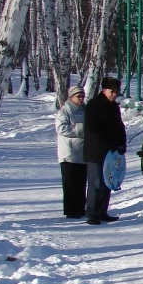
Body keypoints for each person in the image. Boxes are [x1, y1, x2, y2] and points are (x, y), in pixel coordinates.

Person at [83, 76, 127, 225]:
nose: (114, 95)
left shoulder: (114, 107)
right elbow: (93, 129)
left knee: (108, 182)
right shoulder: (93, 105)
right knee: (95, 183)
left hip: (111, 152)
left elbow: (120, 127)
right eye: (111, 91)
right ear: (104, 90)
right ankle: (92, 213)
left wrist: (121, 144)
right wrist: (109, 142)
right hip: (96, 151)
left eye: (116, 92)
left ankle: (102, 211)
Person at [55, 85, 87, 218]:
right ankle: (71, 210)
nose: (81, 99)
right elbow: (61, 128)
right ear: (71, 97)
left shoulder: (84, 109)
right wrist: (81, 129)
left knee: (81, 183)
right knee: (70, 183)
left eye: (83, 96)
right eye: (78, 96)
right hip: (69, 154)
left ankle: (80, 207)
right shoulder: (65, 111)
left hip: (82, 153)